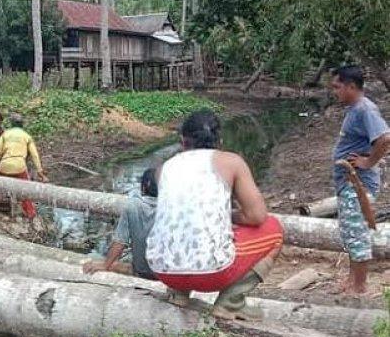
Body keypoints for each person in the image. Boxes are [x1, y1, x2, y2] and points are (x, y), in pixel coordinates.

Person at [145, 110, 283, 321]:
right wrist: (229, 216)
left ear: (183, 141)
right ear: (219, 140)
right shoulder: (231, 161)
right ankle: (230, 303)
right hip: (212, 273)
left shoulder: (164, 168)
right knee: (274, 230)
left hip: (163, 270)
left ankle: (178, 293)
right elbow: (257, 216)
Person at [330, 65, 390, 295]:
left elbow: (384, 138)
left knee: (357, 234)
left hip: (359, 184)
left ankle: (359, 286)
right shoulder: (354, 109)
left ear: (351, 86)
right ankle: (351, 279)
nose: (335, 92)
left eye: (337, 87)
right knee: (350, 232)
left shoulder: (365, 109)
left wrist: (368, 162)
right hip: (349, 184)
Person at [83, 169, 159, 278]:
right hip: (167, 273)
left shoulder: (132, 206)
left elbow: (120, 241)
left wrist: (105, 265)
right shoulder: (171, 207)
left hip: (142, 271)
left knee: (110, 262)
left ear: (143, 187)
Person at [0, 113, 47, 219]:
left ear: (11, 124)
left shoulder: (6, 134)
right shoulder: (27, 136)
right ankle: (30, 213)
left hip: (4, 166)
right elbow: (35, 155)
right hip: (19, 167)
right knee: (24, 190)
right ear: (22, 124)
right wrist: (40, 172)